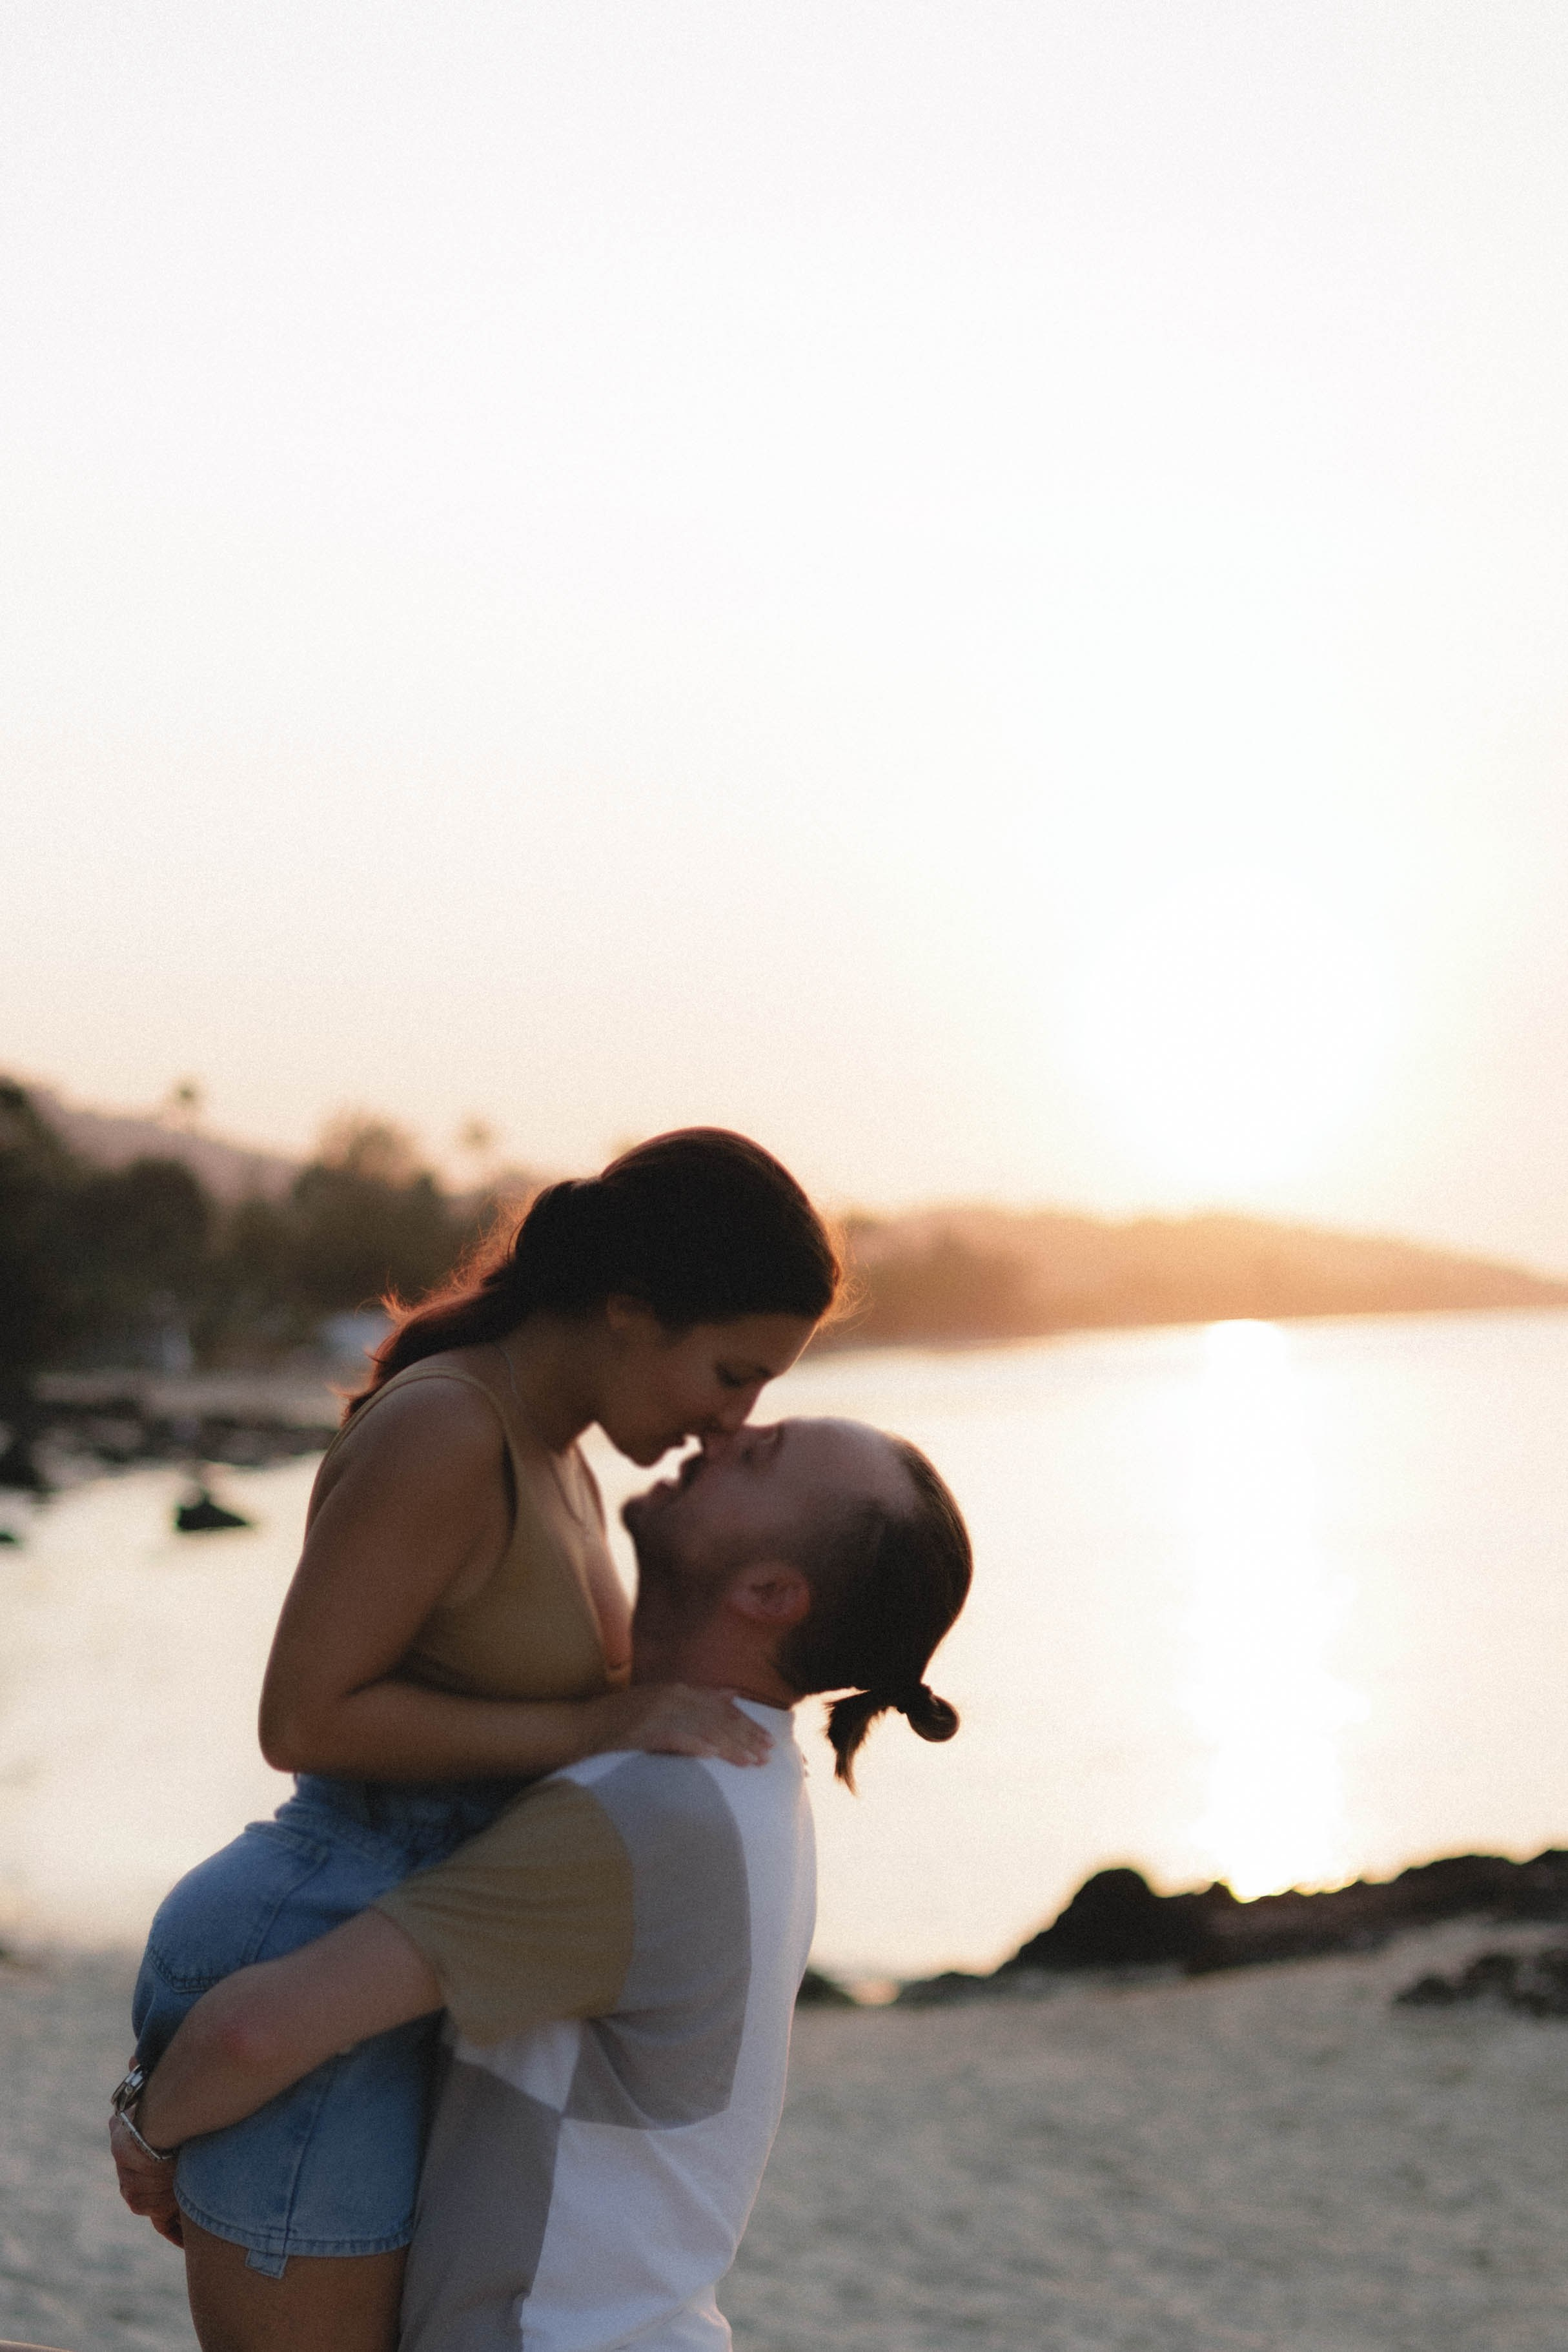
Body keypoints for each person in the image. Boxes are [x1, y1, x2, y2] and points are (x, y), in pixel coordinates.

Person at [123, 1130, 840, 2335]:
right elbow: (302, 1718)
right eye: (731, 1374)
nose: (733, 1423)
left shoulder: (559, 1455)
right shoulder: (448, 1431)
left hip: (388, 1963)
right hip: (313, 1939)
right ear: (627, 1312)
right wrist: (601, 1720)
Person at [113, 1415, 973, 2352]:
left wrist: (148, 2139)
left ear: (769, 1592)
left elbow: (258, 2030)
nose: (719, 1436)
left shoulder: (650, 1806)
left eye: (758, 1456)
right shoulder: (748, 1778)